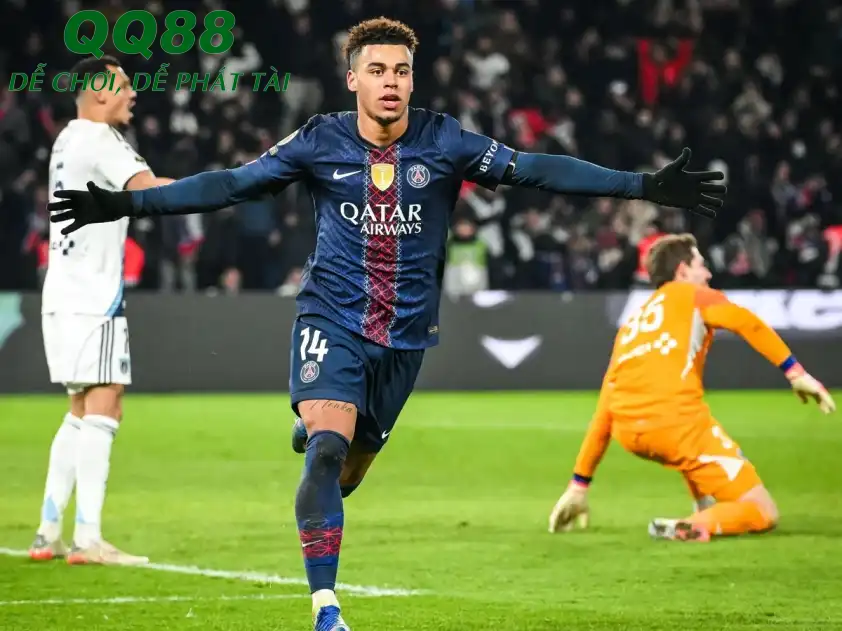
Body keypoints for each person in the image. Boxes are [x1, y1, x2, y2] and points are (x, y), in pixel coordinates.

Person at [47, 19, 725, 631]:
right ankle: (326, 607)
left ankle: (320, 428)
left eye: (401, 70)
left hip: (405, 338)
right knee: (325, 451)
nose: (391, 82)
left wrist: (642, 186)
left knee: (346, 474)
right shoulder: (319, 140)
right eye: (377, 70)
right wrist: (130, 205)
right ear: (353, 80)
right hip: (331, 317)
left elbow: (535, 171)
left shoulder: (444, 139)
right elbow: (231, 183)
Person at [548, 233, 836, 542]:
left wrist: (579, 485)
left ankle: (703, 506)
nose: (708, 274)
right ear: (683, 271)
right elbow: (747, 322)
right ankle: (696, 525)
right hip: (676, 425)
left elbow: (605, 407)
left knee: (690, 444)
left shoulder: (632, 325)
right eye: (702, 265)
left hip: (630, 432)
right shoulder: (695, 296)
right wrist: (795, 373)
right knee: (762, 510)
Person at [35, 55, 174, 566]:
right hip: (94, 297)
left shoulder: (67, 139)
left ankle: (48, 531)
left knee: (79, 409)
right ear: (98, 92)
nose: (133, 93)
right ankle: (88, 539)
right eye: (123, 85)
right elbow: (150, 192)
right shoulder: (101, 139)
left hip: (63, 291)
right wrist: (231, 185)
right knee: (106, 402)